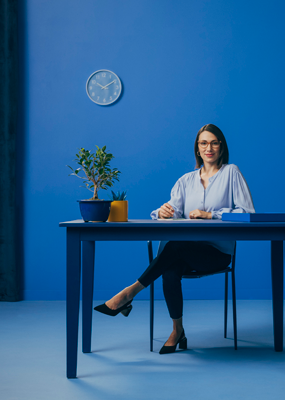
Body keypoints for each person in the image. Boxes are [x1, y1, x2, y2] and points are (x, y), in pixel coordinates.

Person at [94, 124, 255, 354]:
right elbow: (172, 212)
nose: (209, 147)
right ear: (197, 149)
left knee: (173, 248)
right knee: (170, 266)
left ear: (221, 146)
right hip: (184, 252)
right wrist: (162, 213)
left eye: (214, 142)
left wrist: (212, 215)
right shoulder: (185, 180)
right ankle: (177, 330)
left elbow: (248, 213)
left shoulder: (232, 173)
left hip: (216, 253)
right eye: (203, 143)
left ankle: (128, 293)